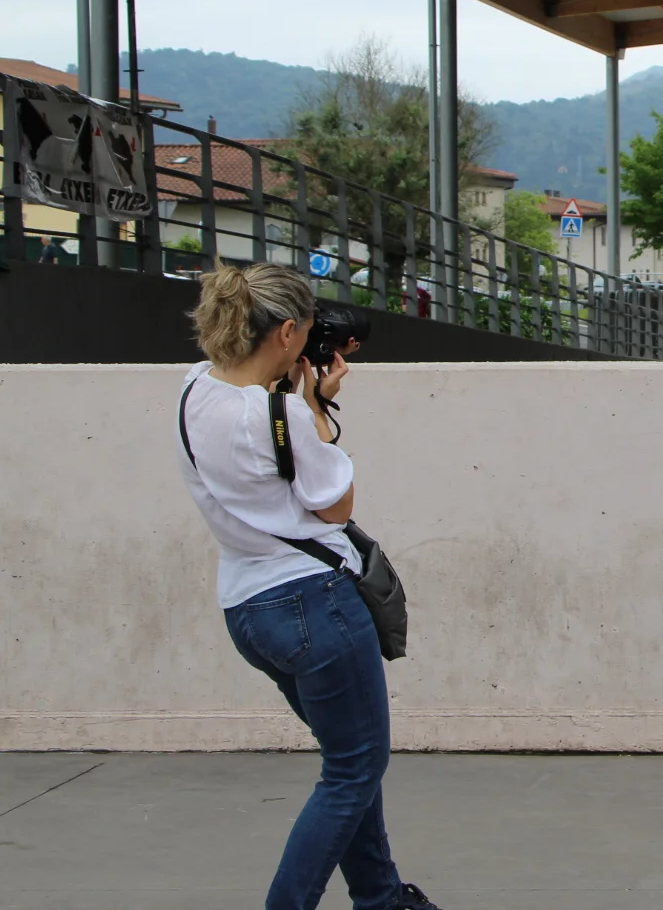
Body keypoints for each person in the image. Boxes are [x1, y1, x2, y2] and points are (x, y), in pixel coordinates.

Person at [177, 264, 441, 910]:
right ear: (288, 331)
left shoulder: (194, 388)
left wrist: (292, 394)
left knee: (351, 762)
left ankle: (381, 899)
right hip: (314, 607)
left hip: (249, 607)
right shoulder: (282, 416)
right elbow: (335, 507)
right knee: (353, 769)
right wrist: (315, 407)